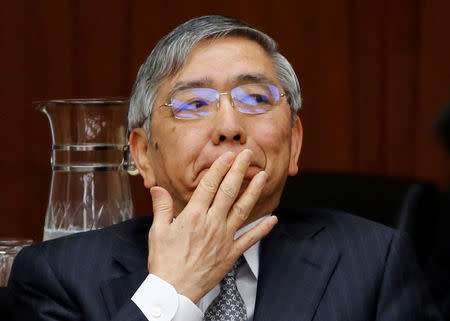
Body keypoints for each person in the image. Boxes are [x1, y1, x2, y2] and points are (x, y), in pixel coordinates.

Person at [8, 15, 443, 321]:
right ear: (143, 155)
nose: (230, 127)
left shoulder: (373, 262)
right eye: (194, 105)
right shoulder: (56, 276)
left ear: (293, 145)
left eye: (256, 100)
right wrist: (172, 293)